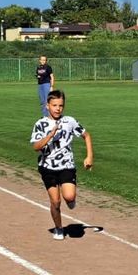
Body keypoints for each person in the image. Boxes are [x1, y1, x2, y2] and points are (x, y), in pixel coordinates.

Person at [30, 90, 93, 240]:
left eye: (61, 105)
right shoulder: (41, 124)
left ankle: (70, 199)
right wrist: (51, 134)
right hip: (48, 167)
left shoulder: (69, 121)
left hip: (66, 165)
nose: (58, 108)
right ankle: (58, 228)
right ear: (47, 106)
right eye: (54, 105)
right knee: (55, 201)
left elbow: (86, 135)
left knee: (69, 197)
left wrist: (89, 156)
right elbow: (36, 147)